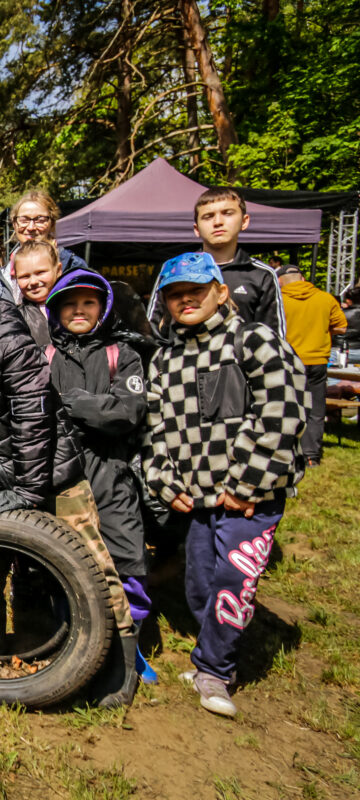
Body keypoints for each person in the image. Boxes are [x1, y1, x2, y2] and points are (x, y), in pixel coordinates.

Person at [0, 276, 139, 706]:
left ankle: (118, 666)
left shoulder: (13, 346)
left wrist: (28, 490)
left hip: (54, 479)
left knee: (93, 568)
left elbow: (33, 424)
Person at [144, 252, 306, 718]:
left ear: (220, 291)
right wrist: (162, 480)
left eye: (195, 289)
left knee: (233, 584)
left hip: (248, 501)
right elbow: (153, 430)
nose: (185, 299)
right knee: (199, 584)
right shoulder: (165, 358)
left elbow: (282, 414)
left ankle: (215, 669)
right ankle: (212, 653)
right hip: (197, 500)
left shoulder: (254, 341)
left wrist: (248, 486)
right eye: (175, 294)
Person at [44, 268, 152, 669]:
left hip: (111, 469)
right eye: (69, 303)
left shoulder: (121, 354)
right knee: (66, 560)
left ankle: (129, 649)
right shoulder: (46, 355)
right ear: (55, 311)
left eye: (88, 302)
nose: (78, 310)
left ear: (103, 307)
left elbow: (128, 411)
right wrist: (96, 406)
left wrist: (72, 402)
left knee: (126, 557)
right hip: (62, 473)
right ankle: (73, 644)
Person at [146, 188, 285, 337]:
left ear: (244, 221)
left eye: (227, 213)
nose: (218, 222)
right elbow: (151, 332)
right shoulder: (173, 270)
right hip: (181, 358)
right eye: (208, 216)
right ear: (196, 228)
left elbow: (274, 340)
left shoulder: (261, 275)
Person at [277, 264, 346, 467]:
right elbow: (341, 327)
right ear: (303, 279)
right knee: (315, 409)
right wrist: (322, 330)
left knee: (288, 406)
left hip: (289, 360)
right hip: (317, 360)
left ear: (279, 282)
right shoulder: (325, 298)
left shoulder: (279, 299)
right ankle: (311, 455)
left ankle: (287, 450)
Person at [0, 190, 89, 303]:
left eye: (40, 220)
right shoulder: (2, 275)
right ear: (14, 224)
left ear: (52, 224)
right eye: (24, 220)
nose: (31, 227)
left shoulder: (72, 265)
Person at [13, 240, 64, 347]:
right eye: (24, 276)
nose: (33, 282)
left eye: (40, 272)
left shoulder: (75, 307)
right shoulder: (15, 318)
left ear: (58, 270)